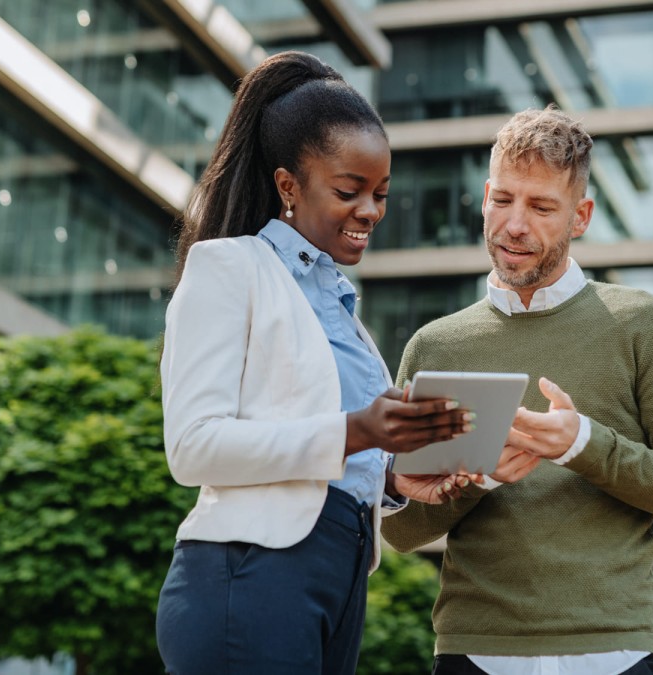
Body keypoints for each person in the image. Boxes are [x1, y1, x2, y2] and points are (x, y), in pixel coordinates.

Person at [155, 51, 475, 675]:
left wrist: (391, 478)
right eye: (349, 191)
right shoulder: (230, 268)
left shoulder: (342, 310)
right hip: (251, 578)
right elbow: (192, 448)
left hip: (339, 577)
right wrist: (361, 430)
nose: (371, 212)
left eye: (380, 194)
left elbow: (325, 448)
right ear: (288, 186)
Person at [381, 105, 653, 675]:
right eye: (503, 200)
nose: (516, 224)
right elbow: (397, 528)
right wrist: (479, 476)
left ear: (581, 215)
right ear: (486, 195)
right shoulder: (433, 347)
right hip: (474, 653)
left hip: (615, 651)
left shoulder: (644, 323)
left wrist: (582, 445)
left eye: (542, 207)